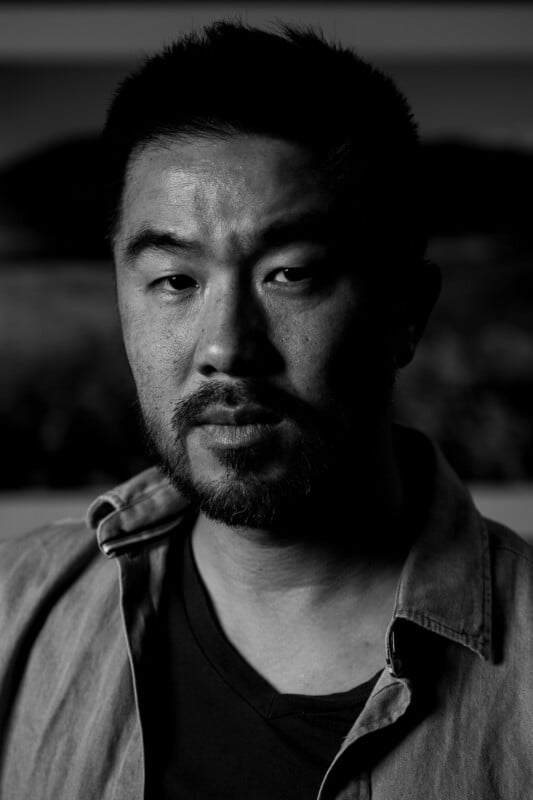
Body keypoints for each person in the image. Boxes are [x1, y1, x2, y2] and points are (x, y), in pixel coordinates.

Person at [0, 21, 532, 800]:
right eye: (175, 281)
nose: (226, 347)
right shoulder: (13, 611)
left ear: (406, 313)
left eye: (290, 274)